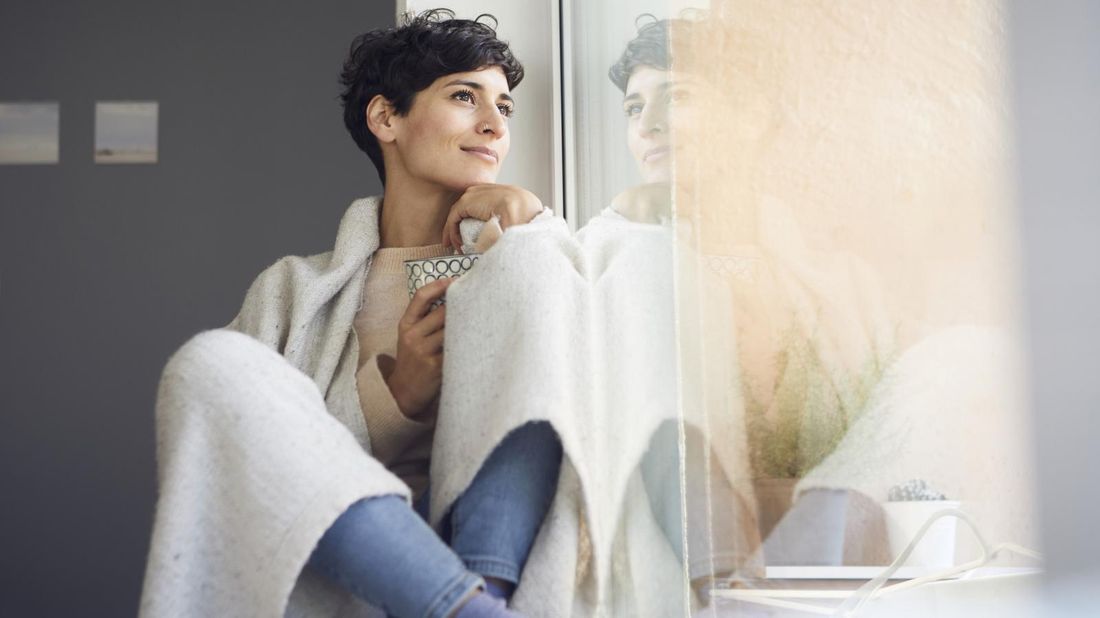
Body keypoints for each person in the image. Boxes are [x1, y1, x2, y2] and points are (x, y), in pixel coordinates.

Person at [140, 10, 562, 618]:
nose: (494, 124)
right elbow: (243, 469)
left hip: (498, 555)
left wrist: (531, 225)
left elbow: (587, 393)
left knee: (544, 272)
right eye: (465, 96)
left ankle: (485, 593)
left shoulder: (528, 248)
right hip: (362, 582)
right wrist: (395, 398)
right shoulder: (290, 291)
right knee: (207, 362)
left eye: (505, 106)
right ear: (386, 117)